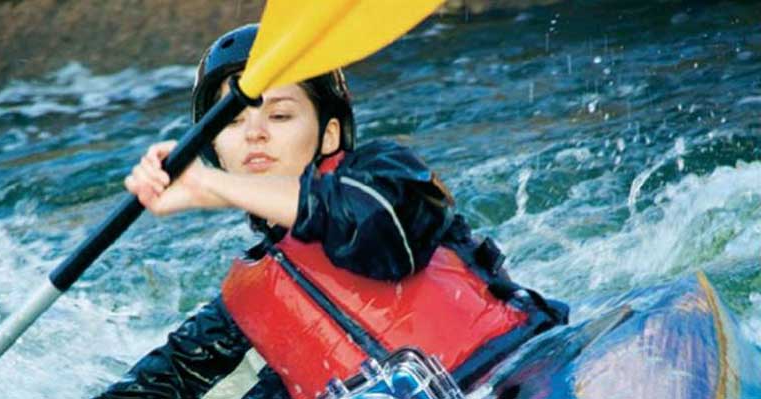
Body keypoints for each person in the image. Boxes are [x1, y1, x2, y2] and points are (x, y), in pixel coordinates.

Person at [96, 24, 567, 399]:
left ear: (329, 135)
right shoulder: (247, 299)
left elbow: (379, 231)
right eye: (234, 121)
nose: (254, 133)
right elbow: (159, 384)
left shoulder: (388, 176)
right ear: (216, 147)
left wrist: (211, 186)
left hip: (531, 373)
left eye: (279, 116)